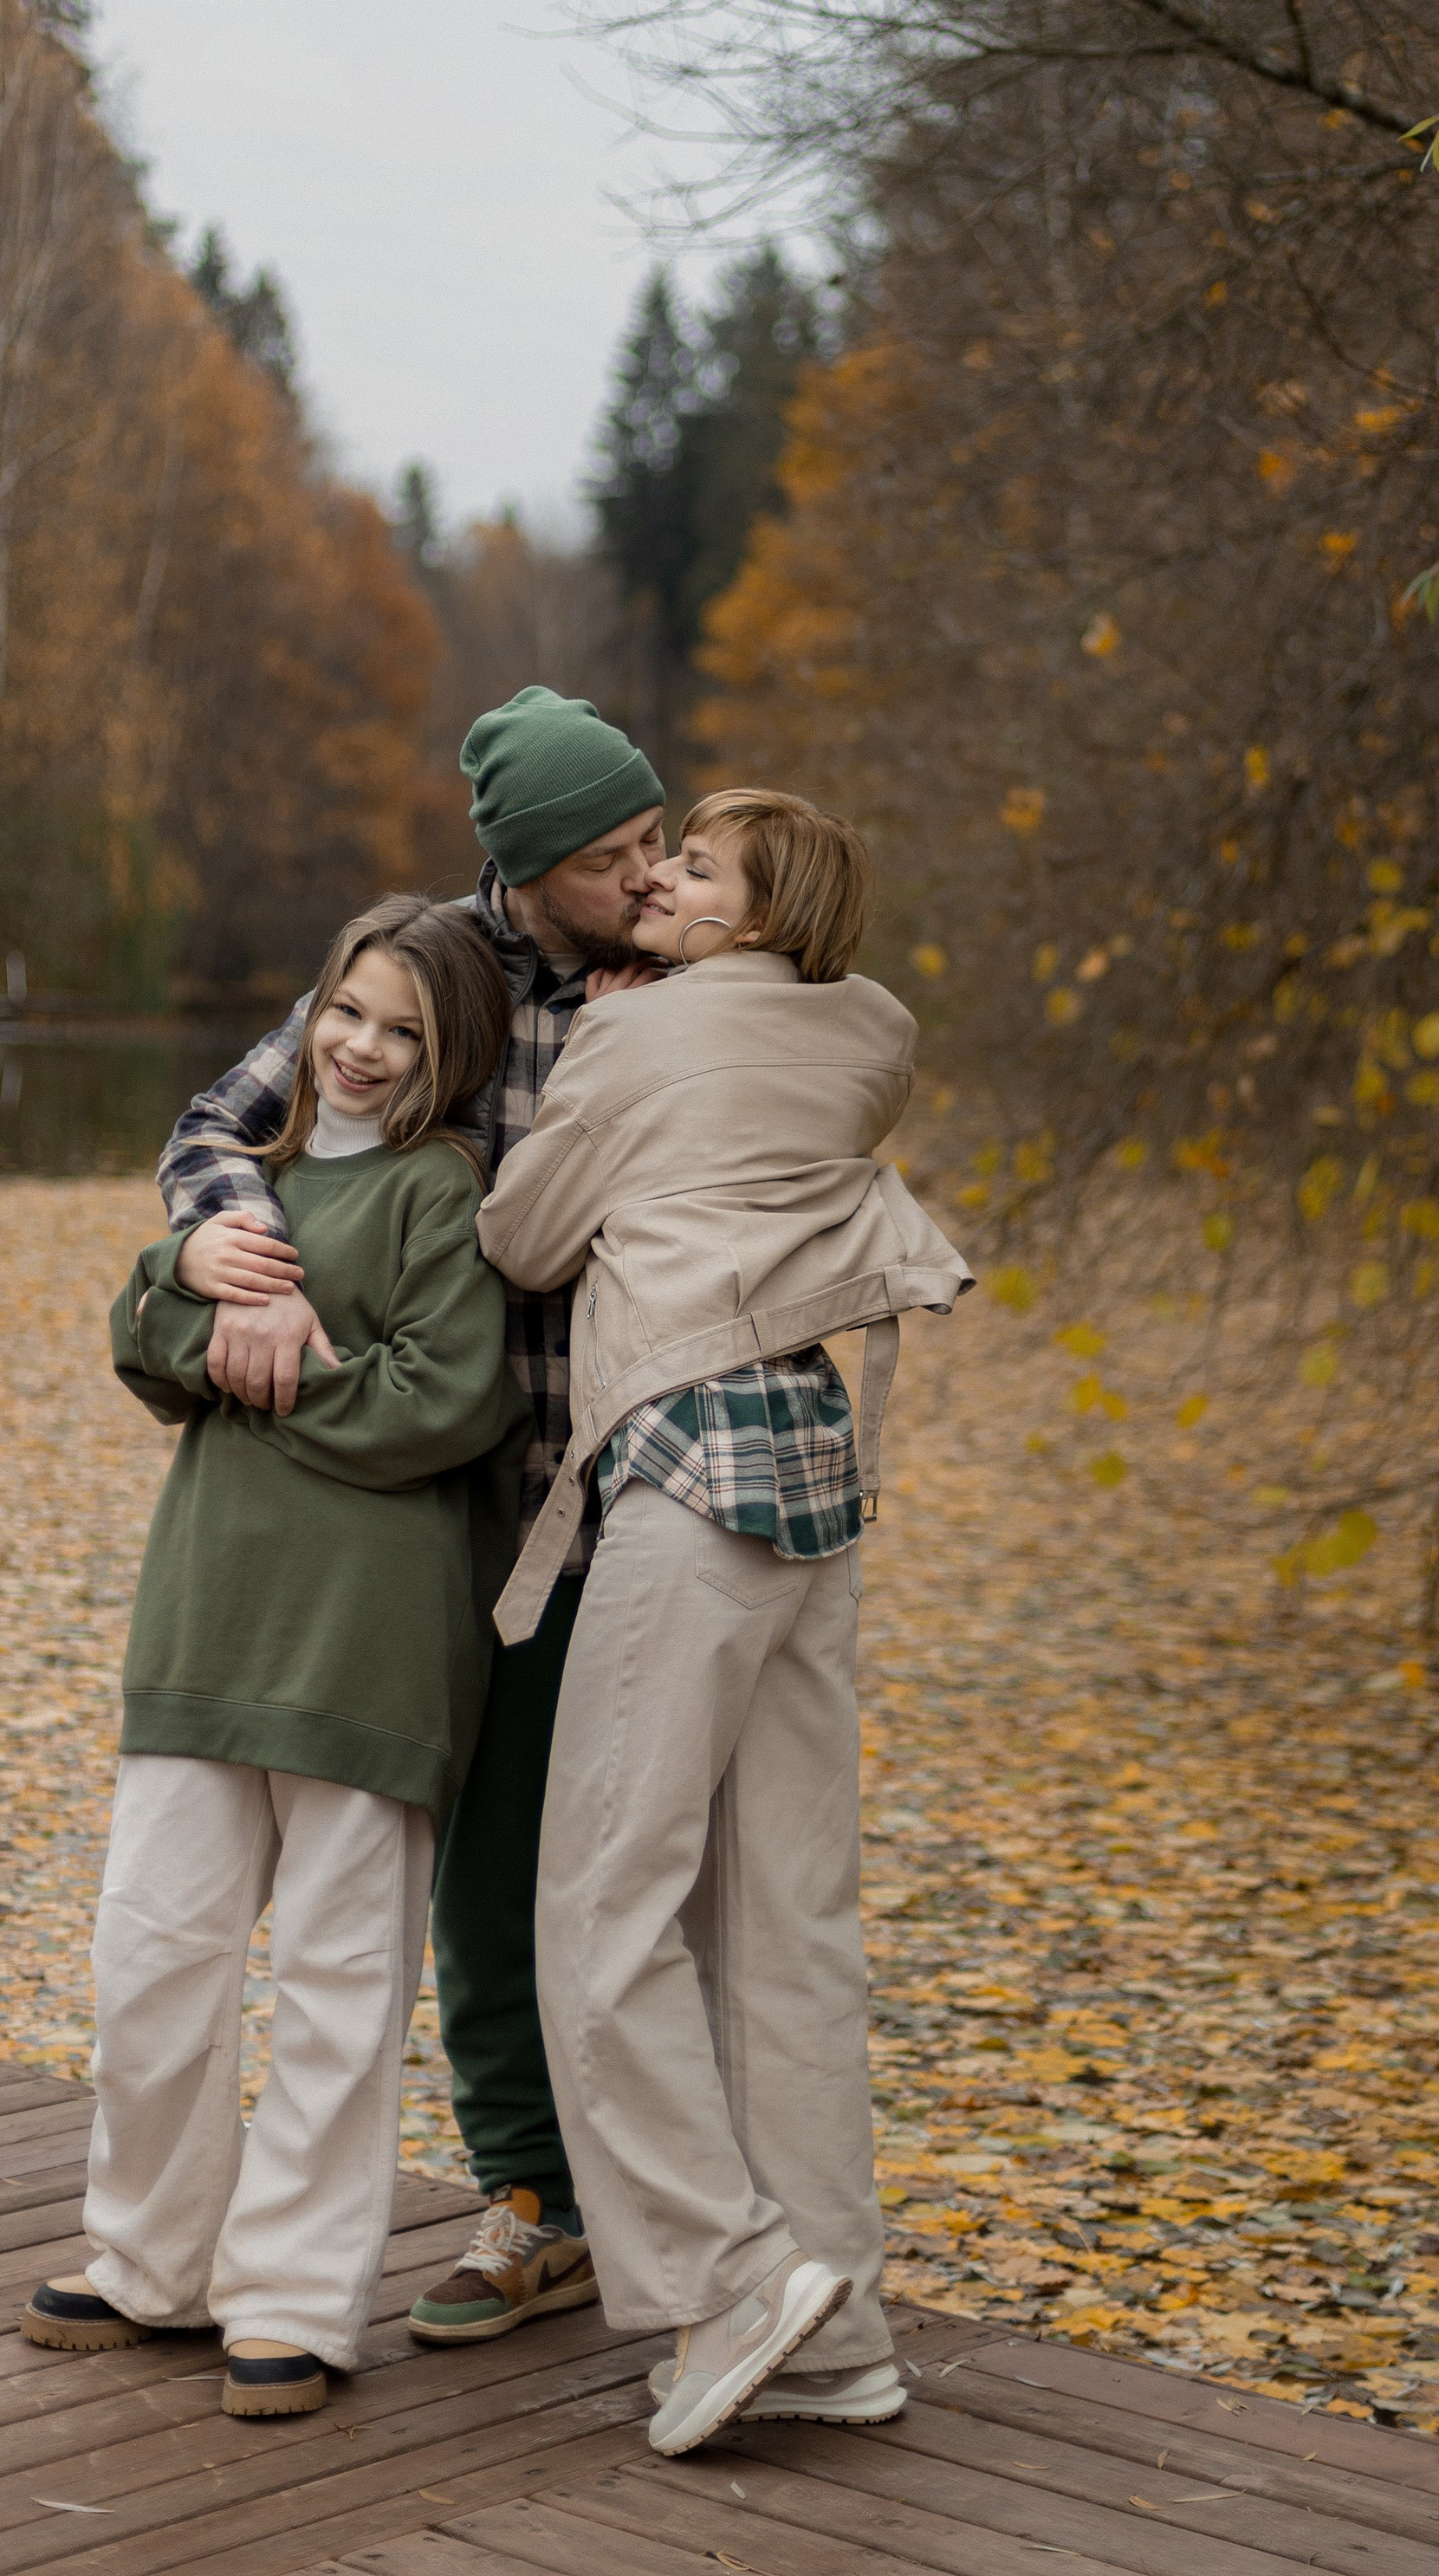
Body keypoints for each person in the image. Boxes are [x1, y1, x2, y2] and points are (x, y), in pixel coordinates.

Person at [148, 686, 664, 2349]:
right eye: (614, 855)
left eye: (657, 844)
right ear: (526, 868)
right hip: (441, 1515)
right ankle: (530, 2196)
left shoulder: (672, 986)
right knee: (462, 1867)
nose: (647, 876)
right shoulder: (417, 969)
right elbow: (223, 1127)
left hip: (617, 1484)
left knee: (611, 1866)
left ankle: (624, 2201)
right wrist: (223, 1254)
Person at [476, 787, 972, 2457]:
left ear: (759, 914)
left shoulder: (631, 1041)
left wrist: (603, 1059)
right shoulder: (877, 1031)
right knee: (790, 1924)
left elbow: (521, 1235)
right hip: (818, 1479)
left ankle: (729, 2274)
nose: (664, 881)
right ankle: (843, 2329)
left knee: (602, 1912)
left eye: (699, 867)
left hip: (687, 1478)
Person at [22, 895, 527, 2417]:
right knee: (153, 1956)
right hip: (203, 1622)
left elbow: (449, 1402)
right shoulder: (253, 1194)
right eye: (349, 1012)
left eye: (406, 1031)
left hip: (368, 1650)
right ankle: (150, 2261)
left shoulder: (448, 1195)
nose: (365, 1050)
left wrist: (283, 1367)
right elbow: (144, 1336)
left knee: (335, 1984)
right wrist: (197, 1296)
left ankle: (296, 2304)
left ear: (453, 1058)